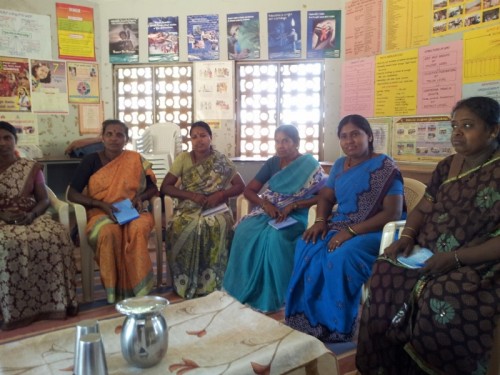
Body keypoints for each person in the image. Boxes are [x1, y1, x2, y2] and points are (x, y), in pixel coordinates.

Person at [356, 96, 500, 374]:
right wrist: (407, 238)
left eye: (467, 126)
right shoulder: (447, 166)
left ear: (493, 130)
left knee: (441, 295)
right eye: (454, 125)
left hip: (479, 262)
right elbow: (423, 209)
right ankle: (390, 366)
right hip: (430, 251)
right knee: (385, 271)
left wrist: (456, 258)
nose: (457, 133)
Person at [285, 114, 405, 342]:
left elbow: (393, 213)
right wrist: (320, 221)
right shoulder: (340, 164)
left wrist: (350, 232)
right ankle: (305, 318)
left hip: (375, 230)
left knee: (341, 254)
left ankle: (338, 326)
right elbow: (326, 197)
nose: (350, 141)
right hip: (341, 224)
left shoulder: (385, 166)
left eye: (355, 134)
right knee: (306, 243)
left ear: (369, 136)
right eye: (344, 136)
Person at [223, 125, 326, 313]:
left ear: (296, 143)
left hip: (299, 213)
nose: (281, 145)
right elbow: (249, 190)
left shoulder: (310, 165)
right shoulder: (272, 163)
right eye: (277, 141)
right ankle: (241, 286)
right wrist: (266, 205)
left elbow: (324, 197)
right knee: (243, 230)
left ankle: (278, 294)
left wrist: (295, 205)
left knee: (275, 237)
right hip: (272, 210)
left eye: (285, 141)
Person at [67, 119, 159, 304]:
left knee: (137, 229)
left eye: (119, 135)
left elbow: (153, 189)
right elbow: (72, 193)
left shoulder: (135, 159)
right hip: (101, 212)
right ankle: (114, 290)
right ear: (102, 137)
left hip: (133, 210)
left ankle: (140, 288)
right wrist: (100, 205)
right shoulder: (90, 160)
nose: (114, 138)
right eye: (109, 134)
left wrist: (140, 198)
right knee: (109, 232)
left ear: (126, 139)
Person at [0, 121, 78, 330]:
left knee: (56, 236)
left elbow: (43, 199)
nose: (3, 143)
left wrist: (32, 214)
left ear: (15, 141)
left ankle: (55, 303)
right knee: (8, 244)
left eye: (7, 138)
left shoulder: (30, 167)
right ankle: (12, 309)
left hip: (30, 215)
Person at [161, 121, 245, 299]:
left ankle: (215, 280)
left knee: (216, 225)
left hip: (216, 207)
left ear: (210, 138)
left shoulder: (221, 160)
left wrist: (221, 195)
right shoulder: (183, 159)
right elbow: (165, 187)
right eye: (194, 137)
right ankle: (184, 279)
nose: (199, 140)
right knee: (178, 225)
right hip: (189, 206)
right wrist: (190, 195)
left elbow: (240, 186)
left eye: (203, 135)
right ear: (190, 140)